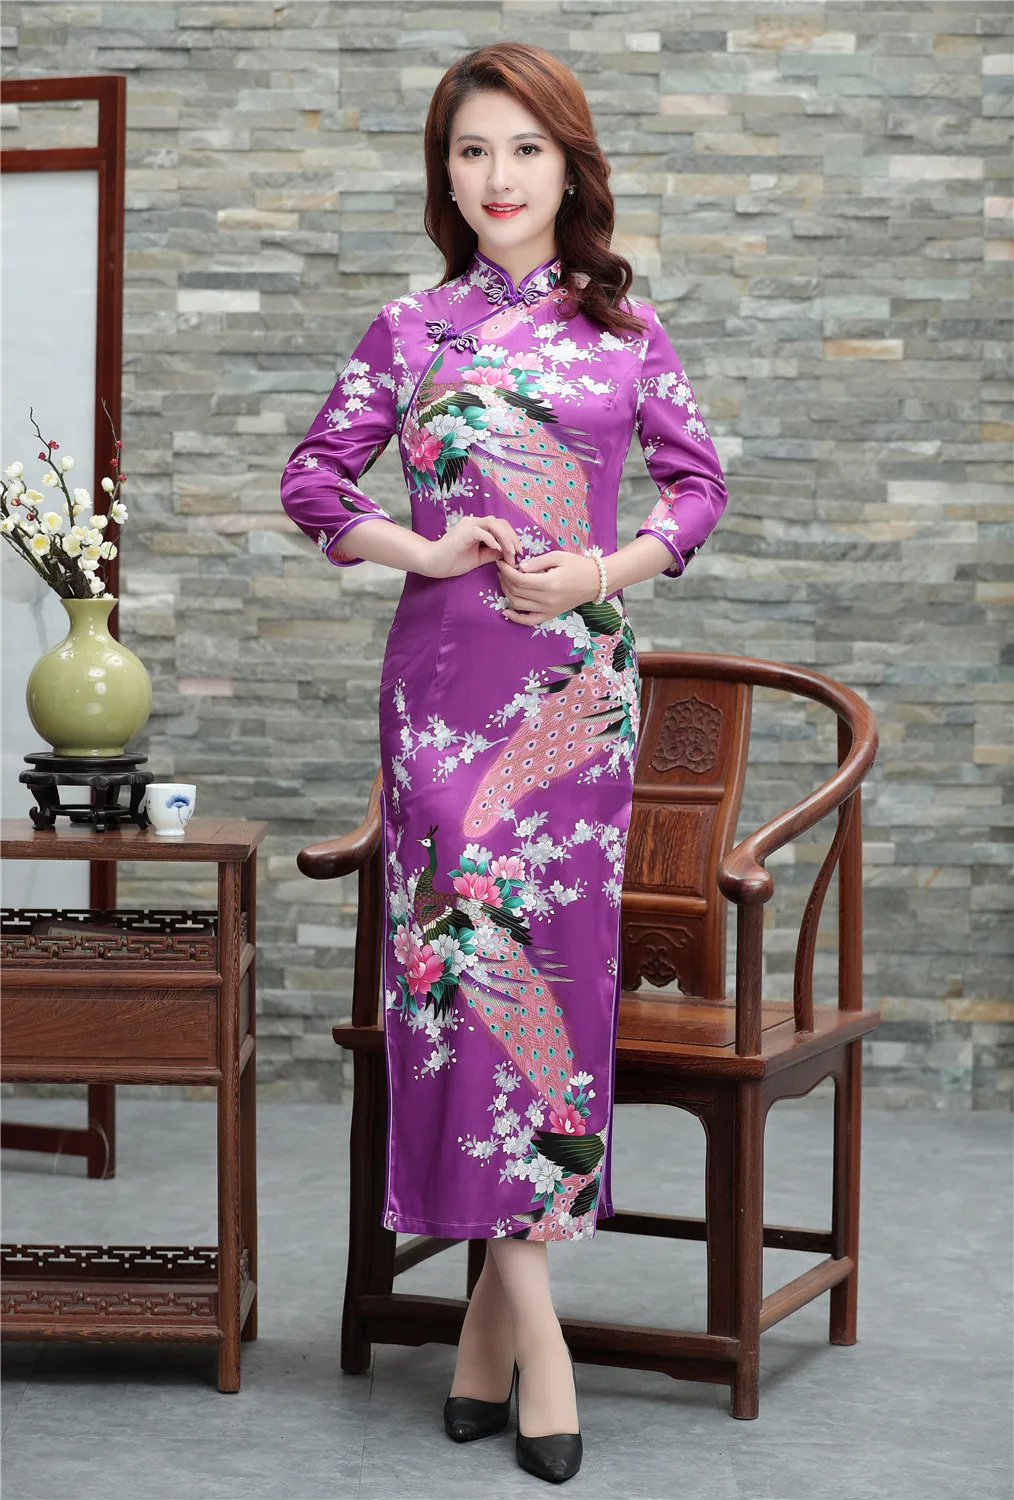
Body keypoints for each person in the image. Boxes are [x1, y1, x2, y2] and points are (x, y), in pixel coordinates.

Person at [280, 41, 728, 1485]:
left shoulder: (625, 329)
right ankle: (542, 1335)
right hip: (442, 694)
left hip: (577, 692)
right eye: (471, 150)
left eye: (524, 148)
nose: (497, 176)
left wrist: (606, 566)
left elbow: (698, 486)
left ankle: (485, 1332)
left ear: (567, 165)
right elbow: (312, 479)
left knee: (548, 987)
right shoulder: (409, 327)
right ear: (446, 172)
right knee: (461, 966)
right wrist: (417, 549)